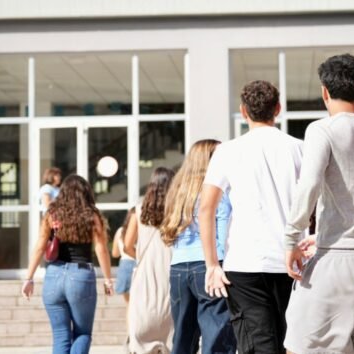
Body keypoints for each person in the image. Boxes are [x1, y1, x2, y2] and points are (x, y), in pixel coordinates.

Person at [283, 53, 354, 354]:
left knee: (302, 346)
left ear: (324, 92)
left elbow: (308, 185)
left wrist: (291, 238)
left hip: (337, 264)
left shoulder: (322, 130)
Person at [199, 80, 304, 354]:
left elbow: (206, 207)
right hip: (291, 261)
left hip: (244, 264)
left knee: (257, 346)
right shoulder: (299, 148)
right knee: (289, 343)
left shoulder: (228, 150)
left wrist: (212, 263)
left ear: (243, 111)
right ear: (278, 109)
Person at [21, 174, 115, 354]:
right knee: (83, 333)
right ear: (86, 193)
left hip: (53, 276)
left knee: (60, 335)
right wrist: (108, 279)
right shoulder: (91, 215)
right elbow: (101, 249)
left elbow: (40, 246)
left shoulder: (52, 213)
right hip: (81, 277)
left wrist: (29, 278)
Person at [159, 139, 236, 354]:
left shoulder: (178, 192)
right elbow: (220, 226)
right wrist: (220, 263)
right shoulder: (216, 191)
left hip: (179, 269)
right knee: (217, 337)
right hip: (210, 264)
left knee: (183, 338)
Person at [124, 167, 176, 354]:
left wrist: (140, 257)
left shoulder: (139, 210)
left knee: (142, 327)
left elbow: (127, 245)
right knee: (170, 331)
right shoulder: (177, 209)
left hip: (145, 275)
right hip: (171, 271)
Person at [111, 207, 136, 304]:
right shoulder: (142, 231)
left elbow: (115, 254)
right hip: (139, 265)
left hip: (124, 266)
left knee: (129, 305)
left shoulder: (120, 231)